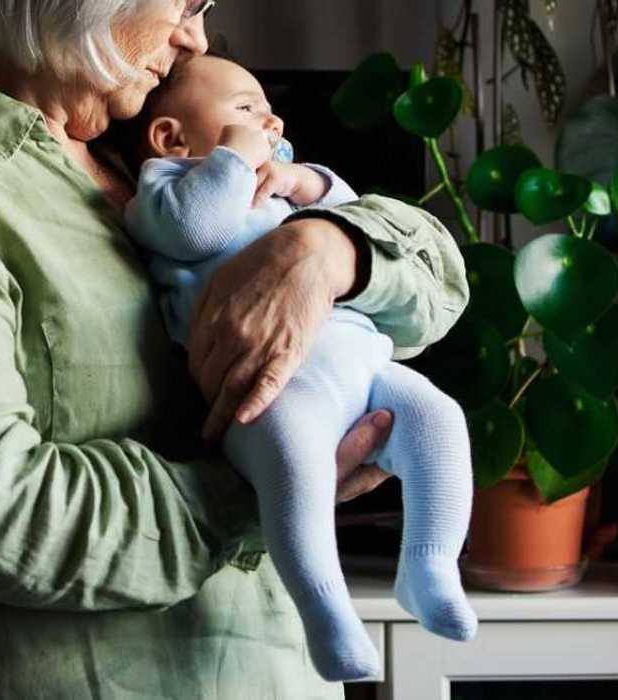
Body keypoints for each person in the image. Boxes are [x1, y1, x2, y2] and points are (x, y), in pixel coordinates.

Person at [0, 1, 470, 697]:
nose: (195, 37)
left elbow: (437, 288)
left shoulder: (143, 144)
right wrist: (257, 486)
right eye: (186, 3)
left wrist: (324, 246)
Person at [123, 54, 477, 682]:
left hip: (360, 358)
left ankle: (429, 567)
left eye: (266, 108)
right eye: (243, 108)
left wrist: (299, 181)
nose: (268, 118)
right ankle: (326, 613)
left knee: (440, 420)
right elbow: (197, 233)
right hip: (273, 388)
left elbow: (348, 210)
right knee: (299, 468)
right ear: (171, 136)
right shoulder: (165, 188)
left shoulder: (276, 184)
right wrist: (233, 156)